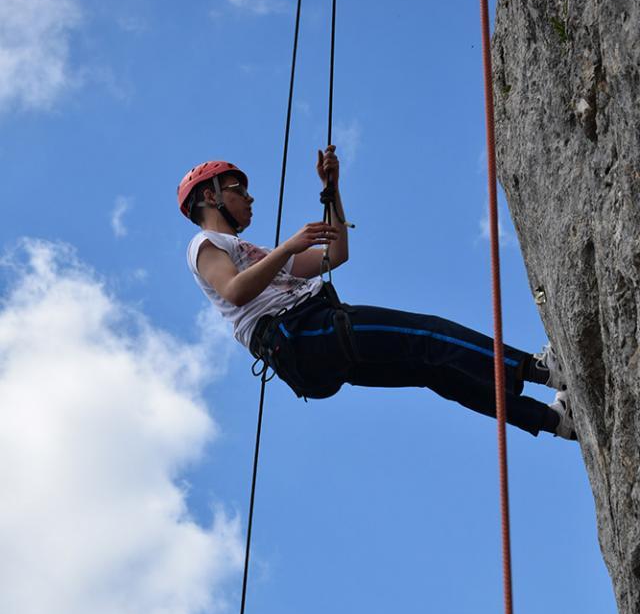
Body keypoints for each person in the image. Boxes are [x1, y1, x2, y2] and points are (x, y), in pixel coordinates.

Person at [177, 148, 576, 439]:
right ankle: (539, 370)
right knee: (428, 334)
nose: (248, 198)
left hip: (311, 348)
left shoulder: (255, 253)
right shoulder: (205, 246)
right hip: (303, 332)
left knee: (433, 371)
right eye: (236, 190)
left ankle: (553, 421)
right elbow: (234, 291)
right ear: (210, 196)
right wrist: (289, 246)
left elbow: (336, 254)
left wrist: (331, 192)